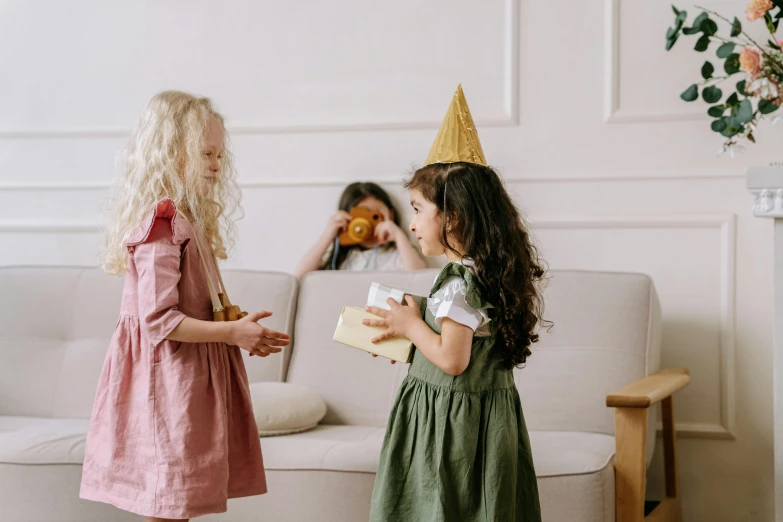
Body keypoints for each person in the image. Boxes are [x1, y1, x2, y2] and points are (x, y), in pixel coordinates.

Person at [79, 91, 290, 521]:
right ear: (172, 154)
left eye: (219, 155)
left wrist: (238, 325)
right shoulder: (161, 228)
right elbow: (158, 320)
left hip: (187, 379)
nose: (216, 164)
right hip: (167, 381)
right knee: (168, 498)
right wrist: (233, 333)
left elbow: (197, 303)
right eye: (206, 154)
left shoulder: (188, 223)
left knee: (179, 501)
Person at [365, 86, 547, 521]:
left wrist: (412, 328)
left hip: (449, 427)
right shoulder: (487, 272)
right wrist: (414, 340)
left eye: (416, 209)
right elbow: (457, 345)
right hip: (484, 419)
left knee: (440, 504)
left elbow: (452, 359)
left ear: (453, 216)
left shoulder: (457, 282)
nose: (410, 224)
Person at [293, 182, 426, 279]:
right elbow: (299, 277)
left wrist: (399, 236)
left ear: (390, 215)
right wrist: (328, 235)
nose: (367, 224)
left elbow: (420, 280)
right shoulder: (338, 258)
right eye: (361, 216)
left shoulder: (399, 256)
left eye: (375, 215)